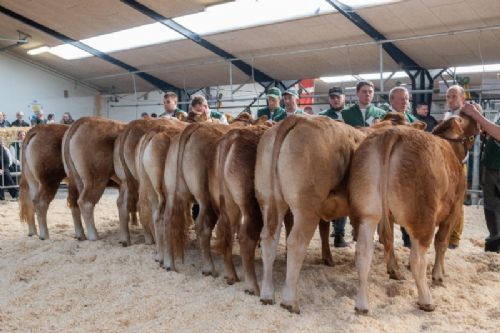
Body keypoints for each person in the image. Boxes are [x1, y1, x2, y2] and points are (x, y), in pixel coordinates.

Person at [462, 103, 500, 253]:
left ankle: (495, 246)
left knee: (494, 207)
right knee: (493, 207)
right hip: (493, 166)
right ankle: (494, 243)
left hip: (498, 169)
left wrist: (476, 115)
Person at [319, 87, 348, 247]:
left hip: (349, 161)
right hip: (329, 162)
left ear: (344, 98)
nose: (335, 100)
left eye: (338, 97)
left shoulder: (350, 114)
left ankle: (339, 234)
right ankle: (335, 233)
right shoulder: (323, 116)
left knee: (344, 198)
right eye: (332, 97)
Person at [388, 86, 414, 248]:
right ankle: (385, 240)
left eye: (406, 98)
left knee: (407, 203)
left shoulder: (412, 119)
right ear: (391, 100)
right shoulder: (384, 117)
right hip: (388, 167)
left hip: (407, 169)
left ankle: (407, 238)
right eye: (401, 98)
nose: (405, 101)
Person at [444, 85, 467, 249]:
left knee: (457, 201)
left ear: (462, 98)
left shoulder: (466, 115)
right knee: (446, 199)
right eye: (448, 97)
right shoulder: (447, 115)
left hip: (459, 164)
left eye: (454, 96)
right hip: (445, 163)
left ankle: (454, 238)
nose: (450, 99)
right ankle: (445, 234)